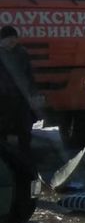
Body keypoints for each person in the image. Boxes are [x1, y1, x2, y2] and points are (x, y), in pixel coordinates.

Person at [0, 26, 41, 157]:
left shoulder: (22, 53)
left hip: (21, 98)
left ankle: (25, 157)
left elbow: (29, 75)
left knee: (24, 129)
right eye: (9, 38)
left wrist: (33, 93)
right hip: (3, 99)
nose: (12, 41)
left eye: (14, 38)